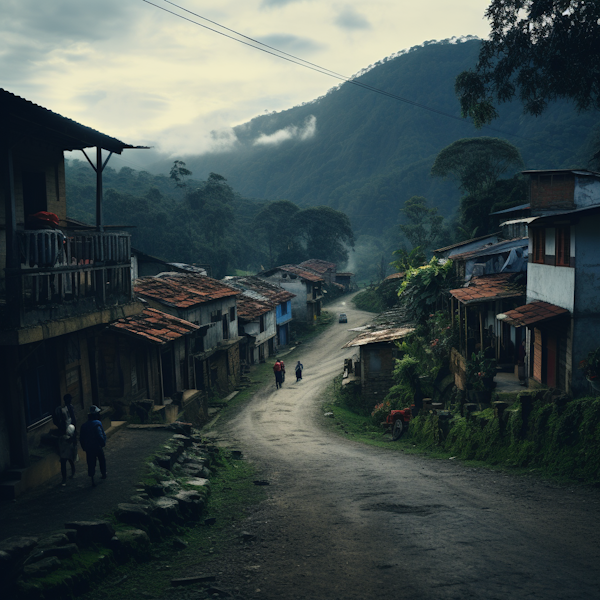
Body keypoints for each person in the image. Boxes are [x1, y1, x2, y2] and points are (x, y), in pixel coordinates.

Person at [79, 405, 107, 487]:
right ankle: (103, 473)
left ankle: (92, 477)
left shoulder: (84, 425)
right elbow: (99, 435)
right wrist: (102, 443)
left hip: (88, 447)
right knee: (101, 459)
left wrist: (84, 446)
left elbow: (81, 438)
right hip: (97, 446)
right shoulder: (97, 424)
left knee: (91, 462)